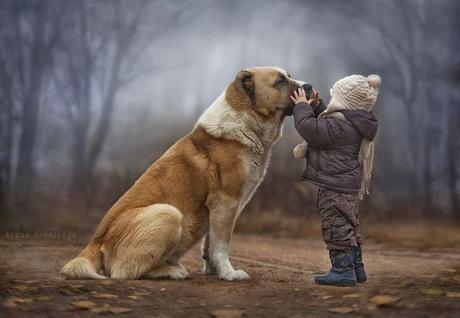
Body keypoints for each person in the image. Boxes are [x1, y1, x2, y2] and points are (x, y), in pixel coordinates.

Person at [290, 74, 381, 287]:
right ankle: (356, 268)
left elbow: (309, 128)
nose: (331, 102)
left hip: (334, 186)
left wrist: (301, 107)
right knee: (349, 225)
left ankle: (342, 271)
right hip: (345, 185)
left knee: (336, 225)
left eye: (334, 97)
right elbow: (326, 122)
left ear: (345, 102)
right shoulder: (351, 123)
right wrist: (316, 106)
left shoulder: (340, 127)